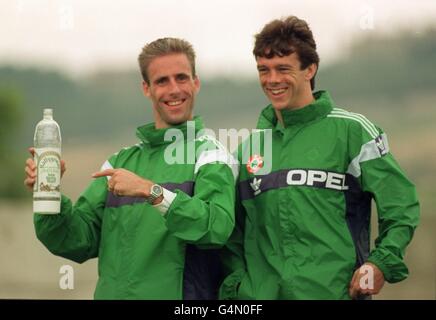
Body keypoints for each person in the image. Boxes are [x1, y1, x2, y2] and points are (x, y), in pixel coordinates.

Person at [219, 16, 420, 300]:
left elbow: (401, 206)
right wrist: (239, 288)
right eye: (263, 70)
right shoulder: (248, 150)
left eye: (283, 68)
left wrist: (380, 263)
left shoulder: (353, 131)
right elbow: (233, 234)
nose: (272, 80)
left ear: (309, 69)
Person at [24, 37, 238, 299]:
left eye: (181, 78)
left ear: (196, 82)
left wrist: (152, 192)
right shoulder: (119, 162)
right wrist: (49, 194)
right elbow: (76, 242)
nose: (174, 89)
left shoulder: (212, 156)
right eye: (162, 81)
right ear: (146, 88)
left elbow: (215, 228)